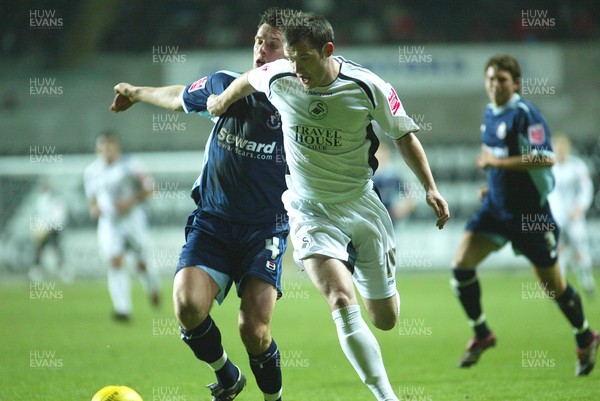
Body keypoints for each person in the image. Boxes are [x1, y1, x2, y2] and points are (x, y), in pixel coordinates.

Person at [207, 11, 449, 401]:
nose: (296, 67)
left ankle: (379, 278)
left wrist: (431, 188)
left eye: (304, 58)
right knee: (340, 299)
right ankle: (388, 398)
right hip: (309, 210)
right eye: (290, 57)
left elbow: (404, 135)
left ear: (328, 50)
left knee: (385, 319)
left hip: (361, 205)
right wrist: (220, 101)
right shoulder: (280, 75)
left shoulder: (367, 86)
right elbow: (248, 80)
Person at [110, 8, 290, 401]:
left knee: (254, 332)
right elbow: (179, 98)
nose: (261, 49)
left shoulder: (298, 109)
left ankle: (273, 399)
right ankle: (227, 376)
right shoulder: (225, 87)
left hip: (265, 229)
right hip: (213, 221)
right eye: (259, 40)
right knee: (188, 307)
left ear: (290, 57)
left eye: (272, 44)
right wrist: (137, 94)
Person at [450, 54, 598, 376]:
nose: (494, 85)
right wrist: (493, 187)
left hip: (531, 216)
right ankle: (481, 333)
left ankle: (585, 337)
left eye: (501, 80)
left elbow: (544, 159)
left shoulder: (526, 115)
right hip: (496, 211)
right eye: (490, 79)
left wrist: (498, 166)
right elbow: (497, 159)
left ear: (515, 83)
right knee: (460, 265)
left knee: (552, 288)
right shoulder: (489, 114)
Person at [84, 132, 160, 321]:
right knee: (115, 261)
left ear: (117, 148)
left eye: (111, 146)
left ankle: (152, 287)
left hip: (132, 220)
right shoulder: (91, 171)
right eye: (104, 147)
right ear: (98, 149)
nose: (107, 151)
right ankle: (122, 309)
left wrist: (130, 201)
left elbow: (150, 188)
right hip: (109, 223)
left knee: (141, 263)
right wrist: (94, 209)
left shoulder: (131, 165)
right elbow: (92, 198)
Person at [548, 134, 596, 297]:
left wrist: (580, 207)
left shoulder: (577, 166)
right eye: (556, 148)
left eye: (561, 148)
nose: (559, 151)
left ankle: (586, 279)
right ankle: (559, 288)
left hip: (574, 217)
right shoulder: (549, 167)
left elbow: (586, 189)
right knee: (558, 251)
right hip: (556, 218)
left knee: (580, 249)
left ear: (567, 149)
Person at [28, 181, 70, 282]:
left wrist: (54, 226)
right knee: (39, 250)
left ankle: (63, 271)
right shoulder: (41, 199)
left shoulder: (57, 200)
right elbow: (40, 214)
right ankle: (36, 272)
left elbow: (60, 215)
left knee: (56, 250)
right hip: (43, 229)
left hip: (54, 229)